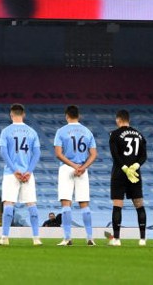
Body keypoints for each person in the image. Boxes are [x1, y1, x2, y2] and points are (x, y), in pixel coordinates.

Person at [0, 103, 42, 246]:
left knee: (9, 204)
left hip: (11, 173)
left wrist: (15, 170)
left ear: (11, 115)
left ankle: (4, 237)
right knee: (31, 204)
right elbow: (37, 153)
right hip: (28, 173)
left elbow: (3, 152)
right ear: (24, 114)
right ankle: (36, 238)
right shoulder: (32, 132)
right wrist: (29, 171)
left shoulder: (6, 131)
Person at [53, 105, 97, 246]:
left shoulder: (61, 131)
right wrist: (82, 167)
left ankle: (67, 238)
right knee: (84, 204)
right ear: (79, 116)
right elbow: (94, 154)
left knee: (66, 203)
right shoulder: (87, 131)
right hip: (82, 169)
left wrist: (73, 166)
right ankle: (90, 238)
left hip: (67, 168)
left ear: (67, 116)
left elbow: (58, 153)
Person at [108, 109, 148, 246]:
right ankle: (142, 239)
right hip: (135, 174)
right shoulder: (139, 134)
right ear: (128, 120)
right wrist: (135, 165)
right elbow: (144, 156)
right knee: (139, 205)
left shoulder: (114, 134)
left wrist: (124, 167)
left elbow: (115, 154)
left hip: (119, 173)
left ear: (118, 120)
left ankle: (117, 239)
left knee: (117, 205)